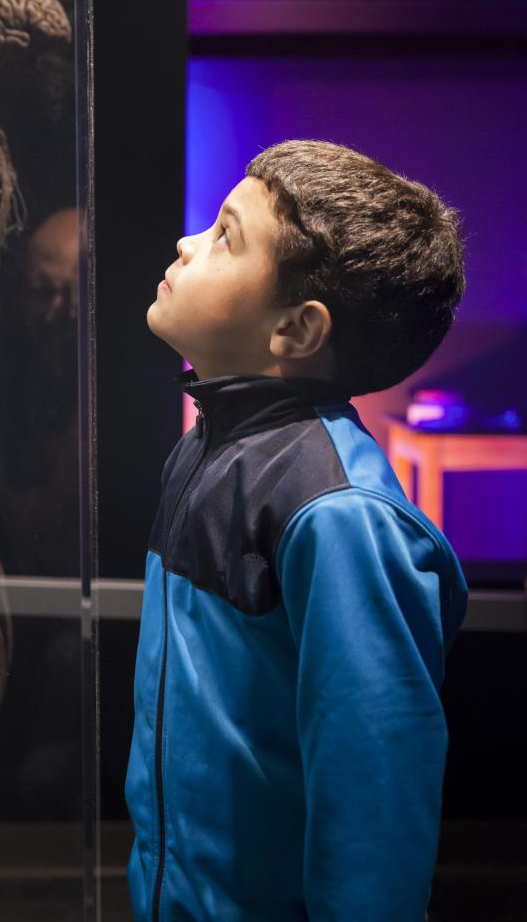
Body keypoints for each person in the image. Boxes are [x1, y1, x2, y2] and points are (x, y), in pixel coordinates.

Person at [125, 139, 469, 922]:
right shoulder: (207, 448)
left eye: (224, 236)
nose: (187, 243)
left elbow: (374, 799)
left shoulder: (338, 513)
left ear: (296, 329)